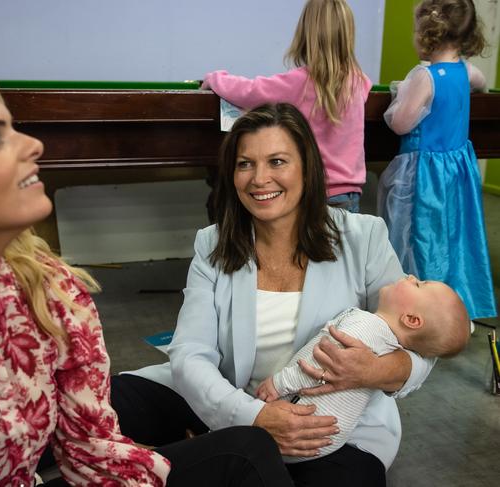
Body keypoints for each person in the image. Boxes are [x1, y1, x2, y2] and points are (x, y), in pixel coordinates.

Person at [0, 64, 295, 487]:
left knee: (244, 451)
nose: (33, 146)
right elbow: (191, 354)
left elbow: (91, 448)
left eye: (278, 162)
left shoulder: (48, 287)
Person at [112, 103, 436, 487]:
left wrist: (376, 370)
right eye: (245, 164)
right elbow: (191, 353)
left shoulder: (363, 237)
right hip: (233, 401)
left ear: (307, 167)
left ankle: (183, 457)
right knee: (99, 400)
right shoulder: (212, 242)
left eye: (277, 161)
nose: (259, 179)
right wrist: (253, 416)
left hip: (332, 424)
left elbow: (420, 347)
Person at [256, 274, 470, 462]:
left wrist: (279, 383)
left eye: (419, 285)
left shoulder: (367, 328)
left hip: (297, 433)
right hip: (326, 444)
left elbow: (318, 369)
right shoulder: (388, 344)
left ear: (411, 319)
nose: (412, 276)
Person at [377, 0, 496, 321]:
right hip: (457, 171)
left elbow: (400, 122)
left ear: (426, 35)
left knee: (417, 237)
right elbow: (481, 84)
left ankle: (420, 308)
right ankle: (455, 304)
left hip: (424, 173)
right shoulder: (468, 71)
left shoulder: (423, 77)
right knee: (452, 236)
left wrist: (399, 93)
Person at [201, 0, 371, 213]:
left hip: (313, 192)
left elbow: (250, 91)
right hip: (349, 193)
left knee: (306, 247)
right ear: (348, 35)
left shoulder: (300, 82)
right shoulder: (359, 81)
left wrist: (215, 78)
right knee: (342, 247)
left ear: (305, 33)